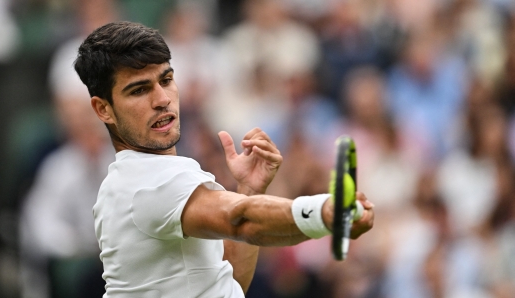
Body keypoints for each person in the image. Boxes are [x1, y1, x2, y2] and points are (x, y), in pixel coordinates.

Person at [73, 21, 375, 297]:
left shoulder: (128, 183)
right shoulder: (148, 183)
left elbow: (228, 284)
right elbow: (242, 219)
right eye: (139, 90)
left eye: (165, 80)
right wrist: (324, 212)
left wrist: (250, 190)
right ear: (103, 109)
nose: (162, 99)